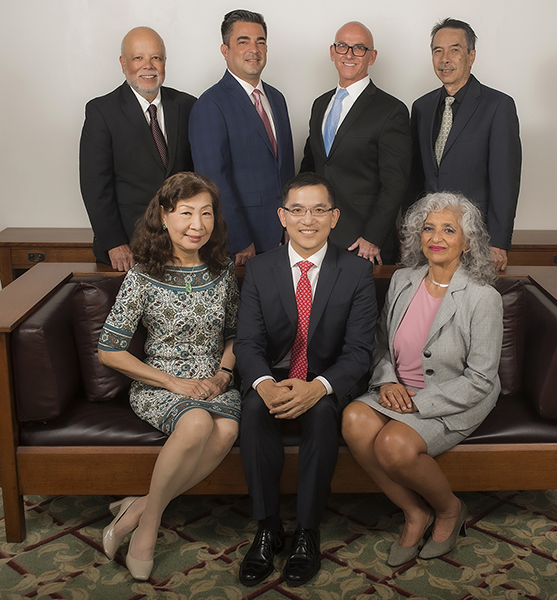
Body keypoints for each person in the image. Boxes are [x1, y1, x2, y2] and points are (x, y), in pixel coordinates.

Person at [342, 192, 503, 566]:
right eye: (428, 228)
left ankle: (449, 509)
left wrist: (419, 402)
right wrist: (386, 381)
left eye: (449, 229)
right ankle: (415, 513)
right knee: (353, 419)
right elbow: (381, 344)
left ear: (467, 241)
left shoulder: (483, 298)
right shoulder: (402, 280)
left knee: (393, 445)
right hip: (399, 386)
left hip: (454, 394)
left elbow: (481, 378)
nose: (437, 237)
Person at [234, 172, 378, 586]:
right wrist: (264, 383)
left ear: (334, 217)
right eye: (297, 210)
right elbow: (247, 342)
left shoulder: (355, 272)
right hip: (273, 377)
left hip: (326, 379)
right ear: (282, 216)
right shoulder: (260, 269)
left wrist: (318, 387)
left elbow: (358, 352)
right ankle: (267, 528)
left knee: (321, 418)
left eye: (318, 210)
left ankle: (307, 532)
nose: (307, 219)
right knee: (253, 411)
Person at [97, 172, 240, 581]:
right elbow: (109, 351)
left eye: (206, 214)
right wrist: (172, 382)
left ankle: (137, 508)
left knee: (227, 430)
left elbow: (235, 334)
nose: (197, 225)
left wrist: (223, 375)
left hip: (214, 381)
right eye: (186, 213)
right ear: (164, 216)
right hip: (161, 384)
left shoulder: (222, 269)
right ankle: (147, 528)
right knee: (196, 422)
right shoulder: (143, 274)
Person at [407, 18, 521, 271]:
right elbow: (416, 177)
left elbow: (505, 181)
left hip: (475, 241)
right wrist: (411, 232)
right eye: (438, 51)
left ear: (471, 56)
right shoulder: (422, 107)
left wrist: (499, 243)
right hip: (430, 239)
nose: (444, 59)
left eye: (454, 50)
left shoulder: (498, 106)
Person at [80, 27, 196, 272]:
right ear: (123, 64)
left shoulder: (188, 106)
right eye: (138, 58)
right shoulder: (102, 112)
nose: (148, 65)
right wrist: (114, 243)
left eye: (156, 57)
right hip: (129, 247)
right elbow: (94, 186)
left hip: (182, 244)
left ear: (165, 62)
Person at [189, 9, 295, 266]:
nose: (254, 49)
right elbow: (213, 182)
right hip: (241, 247)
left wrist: (292, 226)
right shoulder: (210, 104)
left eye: (260, 41)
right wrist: (238, 240)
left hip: (284, 238)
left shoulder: (277, 99)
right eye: (243, 41)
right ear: (225, 51)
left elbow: (286, 170)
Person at [301, 22, 411, 265]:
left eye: (359, 48)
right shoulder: (320, 105)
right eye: (342, 46)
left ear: (372, 57)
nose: (349, 54)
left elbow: (396, 183)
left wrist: (372, 237)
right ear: (332, 52)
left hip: (362, 244)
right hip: (317, 237)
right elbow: (309, 169)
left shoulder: (391, 110)